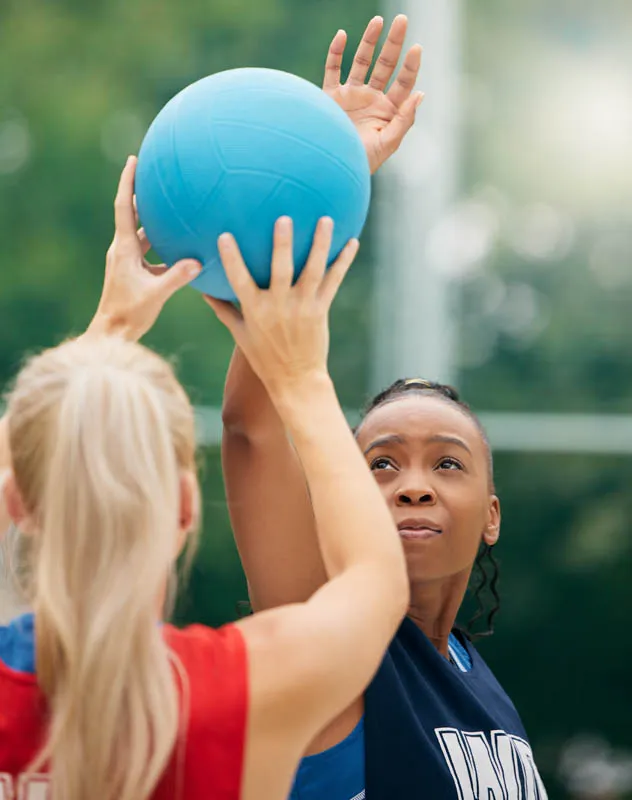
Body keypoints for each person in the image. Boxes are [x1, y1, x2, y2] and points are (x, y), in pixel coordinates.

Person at [0, 156, 410, 800]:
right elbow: (379, 581)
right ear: (187, 507)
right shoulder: (245, 690)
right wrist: (301, 377)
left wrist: (108, 328)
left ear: (17, 501)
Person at [221, 16, 548, 800]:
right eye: (380, 464)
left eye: (447, 463)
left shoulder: (485, 688)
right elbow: (253, 432)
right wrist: (326, 173)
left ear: (492, 513)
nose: (413, 484)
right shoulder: (337, 642)